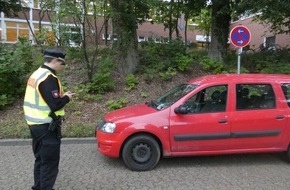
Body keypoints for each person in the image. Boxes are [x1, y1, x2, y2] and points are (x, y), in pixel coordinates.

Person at [23, 48, 75, 190]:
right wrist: (67, 98)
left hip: (35, 125)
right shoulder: (48, 78)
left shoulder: (37, 74)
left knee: (40, 160)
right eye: (62, 63)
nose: (62, 67)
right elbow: (55, 105)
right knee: (50, 164)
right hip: (46, 128)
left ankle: (38, 187)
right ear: (54, 60)